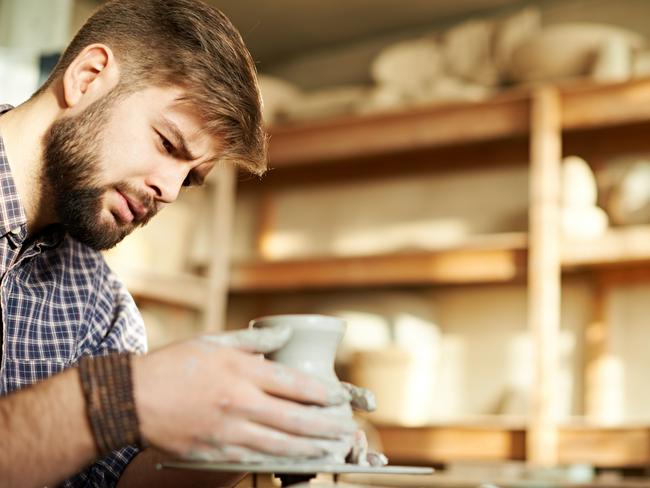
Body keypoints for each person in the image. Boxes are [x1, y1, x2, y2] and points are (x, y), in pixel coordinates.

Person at [0, 0, 360, 486]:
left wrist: (254, 430)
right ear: (87, 77)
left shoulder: (101, 305)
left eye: (189, 179)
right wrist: (125, 395)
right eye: (168, 143)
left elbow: (111, 480)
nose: (169, 192)